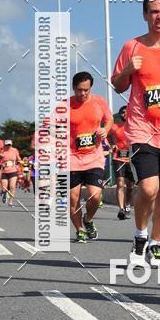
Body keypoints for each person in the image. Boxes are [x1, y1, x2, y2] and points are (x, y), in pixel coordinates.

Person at [111, 0, 160, 266]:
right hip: (141, 128)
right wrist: (128, 70)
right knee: (148, 187)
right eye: (154, 11)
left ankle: (156, 243)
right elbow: (118, 85)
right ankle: (140, 235)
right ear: (145, 15)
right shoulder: (131, 47)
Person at [65, 71, 113, 242]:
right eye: (79, 90)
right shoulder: (64, 106)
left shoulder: (100, 102)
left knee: (95, 196)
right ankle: (79, 230)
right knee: (73, 197)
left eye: (86, 90)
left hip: (94, 156)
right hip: (71, 157)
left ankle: (88, 219)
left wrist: (105, 129)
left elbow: (109, 120)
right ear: (73, 88)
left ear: (90, 88)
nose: (83, 93)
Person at [108, 105, 134, 220]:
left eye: (127, 112)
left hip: (132, 159)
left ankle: (127, 205)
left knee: (130, 186)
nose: (125, 114)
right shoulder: (115, 126)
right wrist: (112, 145)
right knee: (119, 183)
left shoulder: (134, 126)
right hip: (118, 157)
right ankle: (121, 209)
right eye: (122, 112)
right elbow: (106, 134)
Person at [0, 139, 21, 206]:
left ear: (11, 145)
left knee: (12, 186)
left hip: (13, 170)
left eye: (9, 145)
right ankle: (4, 193)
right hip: (4, 171)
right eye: (6, 145)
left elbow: (19, 159)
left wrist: (18, 165)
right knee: (4, 188)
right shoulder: (2, 151)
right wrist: (1, 163)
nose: (8, 146)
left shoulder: (14, 150)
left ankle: (10, 201)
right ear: (4, 145)